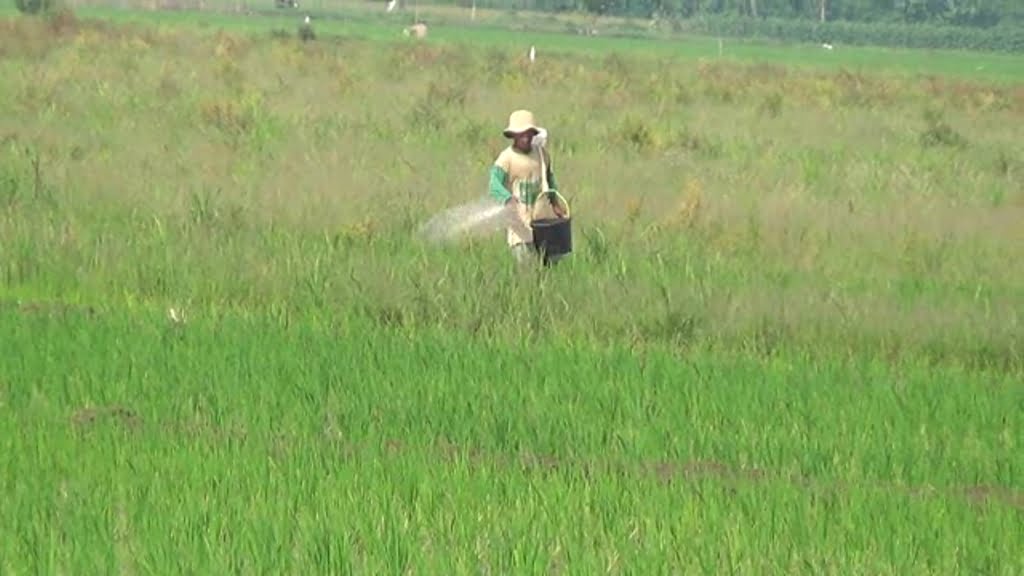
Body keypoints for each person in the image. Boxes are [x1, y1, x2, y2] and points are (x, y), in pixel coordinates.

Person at [487, 110, 568, 265]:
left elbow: (549, 180)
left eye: (528, 133)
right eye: (521, 134)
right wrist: (507, 199)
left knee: (551, 268)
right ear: (513, 135)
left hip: (545, 223)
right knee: (527, 270)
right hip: (520, 228)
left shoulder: (542, 155)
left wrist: (556, 205)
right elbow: (494, 183)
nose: (525, 137)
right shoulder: (507, 158)